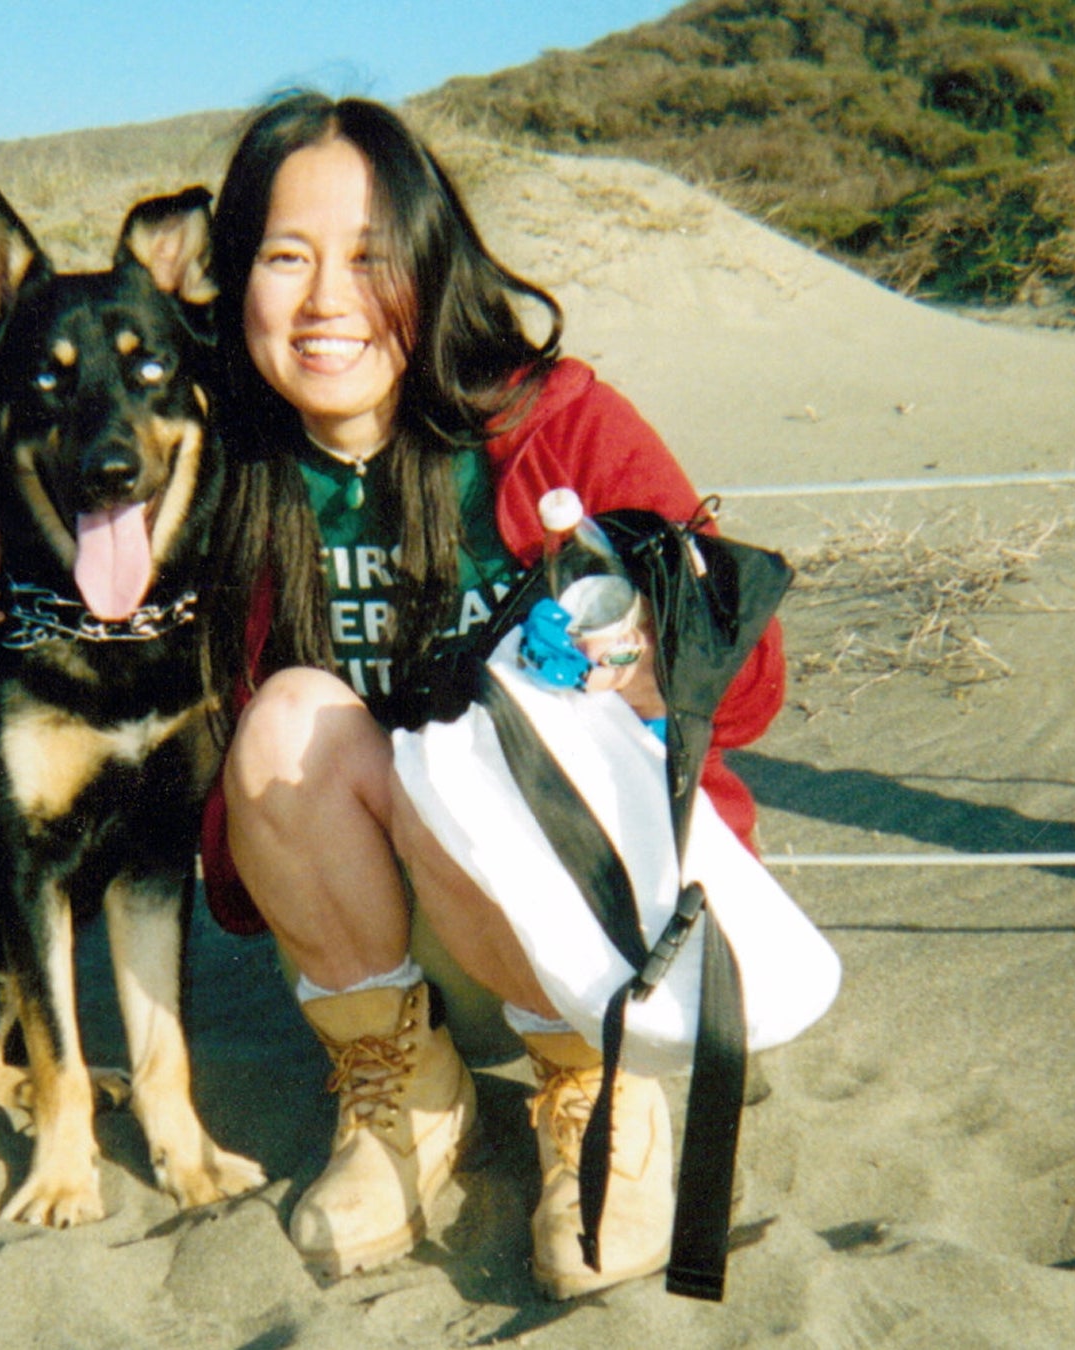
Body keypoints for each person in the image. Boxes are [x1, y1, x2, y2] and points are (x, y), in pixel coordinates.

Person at [192, 92, 787, 1299]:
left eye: (368, 258)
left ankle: (595, 1093)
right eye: (285, 257)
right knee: (289, 721)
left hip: (582, 925)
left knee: (483, 726)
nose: (325, 302)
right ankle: (403, 1101)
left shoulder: (552, 423)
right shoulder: (222, 464)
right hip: (375, 934)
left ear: (431, 261)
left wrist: (628, 645)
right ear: (234, 279)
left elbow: (754, 682)